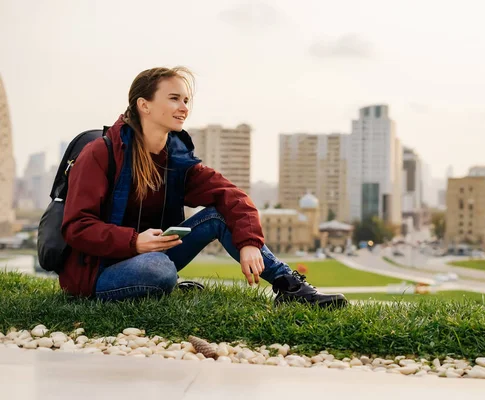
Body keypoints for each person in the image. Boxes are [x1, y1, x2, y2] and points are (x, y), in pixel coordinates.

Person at [59, 66, 347, 308]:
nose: (184, 108)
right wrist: (134, 241)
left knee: (218, 216)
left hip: (154, 254)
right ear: (143, 105)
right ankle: (158, 283)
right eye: (174, 98)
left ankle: (290, 287)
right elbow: (76, 227)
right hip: (98, 272)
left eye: (186, 100)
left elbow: (230, 196)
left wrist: (248, 243)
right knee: (159, 270)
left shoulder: (176, 159)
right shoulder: (101, 153)